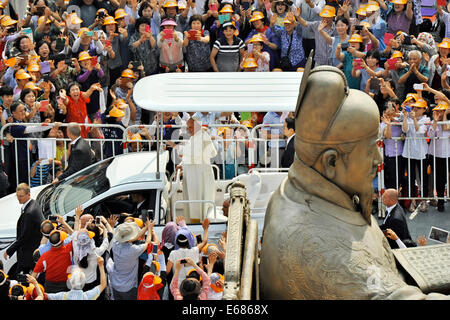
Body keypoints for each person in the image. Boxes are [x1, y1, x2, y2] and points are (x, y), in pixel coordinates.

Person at [260, 63, 450, 299]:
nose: (378, 158)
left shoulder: (304, 190)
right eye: (370, 148)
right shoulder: (317, 245)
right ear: (331, 162)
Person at [179, 117, 217, 223]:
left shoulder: (203, 136)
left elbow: (211, 153)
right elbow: (188, 154)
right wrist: (182, 164)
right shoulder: (193, 137)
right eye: (188, 128)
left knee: (198, 200)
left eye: (191, 127)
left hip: (199, 175)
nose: (189, 130)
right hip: (191, 175)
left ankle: (200, 223)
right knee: (192, 200)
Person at [3, 183, 44, 277]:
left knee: (21, 276)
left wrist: (9, 250)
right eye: (17, 196)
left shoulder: (29, 213)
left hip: (29, 252)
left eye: (21, 196)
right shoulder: (33, 203)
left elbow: (24, 236)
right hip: (30, 248)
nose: (19, 198)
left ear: (28, 194)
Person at [109, 219, 154, 300]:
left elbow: (132, 238)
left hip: (115, 283)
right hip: (129, 286)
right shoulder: (134, 249)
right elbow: (147, 242)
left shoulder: (115, 244)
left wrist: (147, 227)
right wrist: (149, 229)